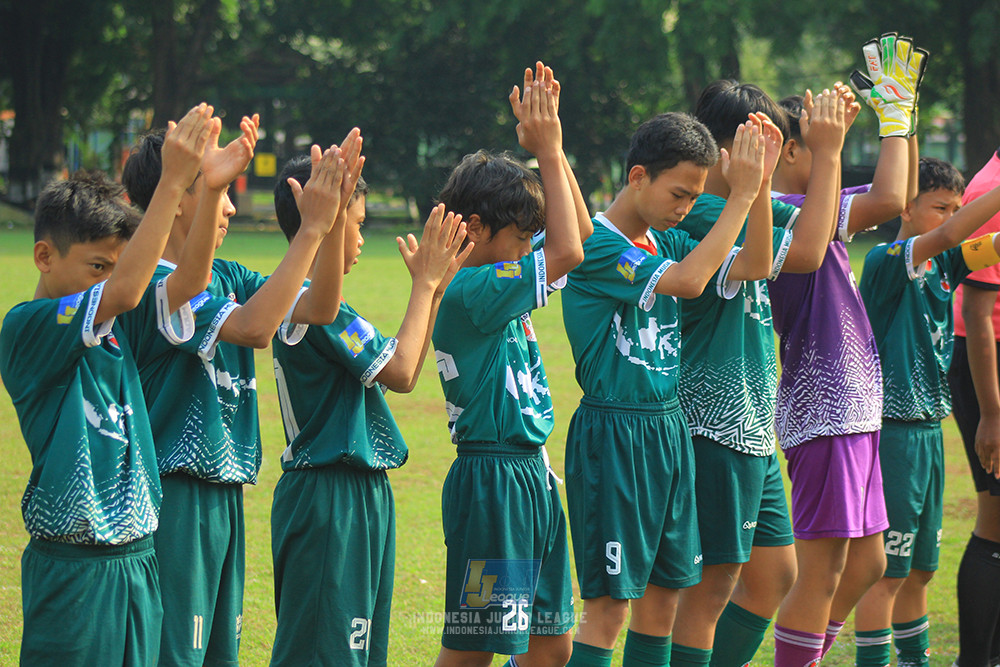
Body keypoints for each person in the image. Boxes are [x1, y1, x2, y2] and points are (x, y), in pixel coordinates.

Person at [119, 118, 359, 666]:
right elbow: (253, 329)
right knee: (175, 653)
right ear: (176, 197)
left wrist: (333, 217)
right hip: (175, 496)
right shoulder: (155, 283)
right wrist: (309, 232)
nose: (228, 207)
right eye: (220, 188)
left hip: (222, 492)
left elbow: (319, 308)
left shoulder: (228, 274)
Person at [0, 105, 214, 666]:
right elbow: (123, 292)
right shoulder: (26, 327)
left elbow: (187, 281)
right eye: (99, 266)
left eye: (116, 266)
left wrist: (209, 187)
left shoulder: (118, 326)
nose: (113, 279)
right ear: (44, 257)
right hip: (74, 567)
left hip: (139, 558)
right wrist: (171, 181)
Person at [561, 107, 773, 667]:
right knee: (609, 607)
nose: (686, 208)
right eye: (680, 193)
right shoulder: (596, 246)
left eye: (694, 195)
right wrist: (742, 199)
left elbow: (757, 262)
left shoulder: (670, 240)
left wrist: (761, 184)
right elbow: (687, 282)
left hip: (668, 429)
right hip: (614, 433)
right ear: (637, 178)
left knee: (665, 598)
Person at [668, 82, 849, 667]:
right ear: (727, 147)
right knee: (709, 588)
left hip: (750, 424)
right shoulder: (700, 210)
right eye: (761, 140)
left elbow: (813, 245)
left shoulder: (748, 202)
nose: (772, 151)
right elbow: (790, 255)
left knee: (774, 574)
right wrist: (803, 163)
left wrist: (820, 155)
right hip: (711, 424)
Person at [268, 152, 472, 666]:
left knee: (358, 649)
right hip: (328, 495)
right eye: (356, 224)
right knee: (323, 651)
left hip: (359, 491)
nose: (360, 239)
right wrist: (424, 285)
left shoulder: (319, 305)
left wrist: (436, 288)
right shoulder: (313, 305)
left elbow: (405, 369)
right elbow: (402, 373)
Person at [767, 33, 926, 665]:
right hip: (823, 412)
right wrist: (888, 120)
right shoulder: (785, 211)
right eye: (817, 139)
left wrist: (901, 118)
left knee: (868, 561)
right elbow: (888, 200)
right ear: (789, 151)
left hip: (855, 411)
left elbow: (898, 196)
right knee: (824, 569)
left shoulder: (816, 206)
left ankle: (801, 654)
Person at [431, 62, 590, 667]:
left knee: (551, 646)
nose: (530, 251)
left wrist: (556, 150)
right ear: (473, 228)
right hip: (493, 483)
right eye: (521, 238)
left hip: (530, 475)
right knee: (474, 650)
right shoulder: (471, 290)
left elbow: (573, 241)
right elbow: (572, 249)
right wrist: (548, 150)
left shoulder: (497, 285)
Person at [857, 155, 1000, 667]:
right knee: (885, 572)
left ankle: (914, 660)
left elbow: (990, 243)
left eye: (956, 208)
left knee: (919, 570)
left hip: (928, 433)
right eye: (940, 207)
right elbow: (956, 234)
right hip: (892, 432)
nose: (951, 217)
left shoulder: (948, 263)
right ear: (907, 207)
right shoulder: (885, 261)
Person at [947, 144, 1000, 667]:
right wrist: (993, 414)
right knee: (995, 520)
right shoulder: (989, 190)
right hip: (989, 369)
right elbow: (977, 314)